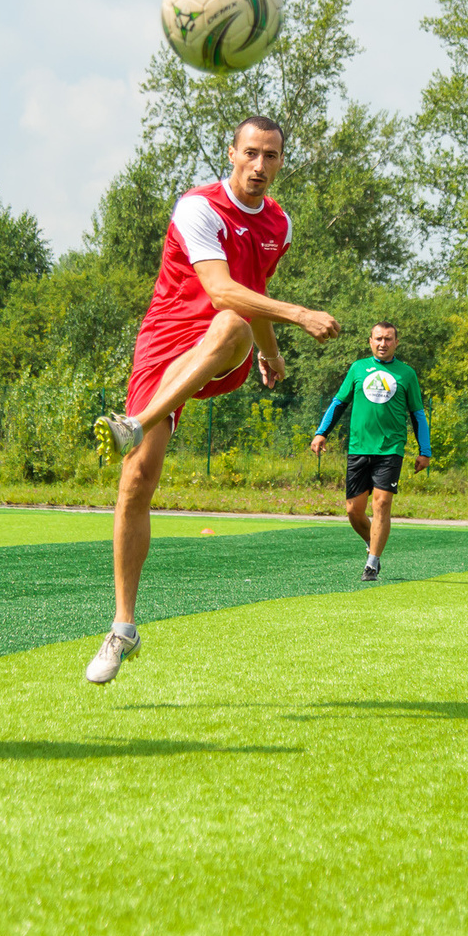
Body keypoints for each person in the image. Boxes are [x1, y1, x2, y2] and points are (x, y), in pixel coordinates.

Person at [89, 117, 341, 683]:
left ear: (280, 162)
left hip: (223, 346)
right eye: (250, 153)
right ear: (232, 154)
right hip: (166, 346)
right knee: (136, 480)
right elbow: (222, 287)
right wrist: (299, 317)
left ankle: (137, 422)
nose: (259, 165)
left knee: (230, 327)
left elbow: (252, 298)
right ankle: (123, 628)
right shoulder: (197, 207)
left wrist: (270, 353)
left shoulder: (280, 223)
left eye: (270, 156)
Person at [308, 323, 432, 582]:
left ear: (396, 342)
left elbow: (418, 414)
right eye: (378, 339)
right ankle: (371, 539)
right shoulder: (357, 368)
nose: (383, 343)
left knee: (382, 504)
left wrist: (425, 450)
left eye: (388, 339)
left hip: (390, 449)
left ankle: (372, 564)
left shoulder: (406, 374)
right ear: (370, 341)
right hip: (359, 448)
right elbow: (339, 403)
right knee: (354, 510)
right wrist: (321, 432)